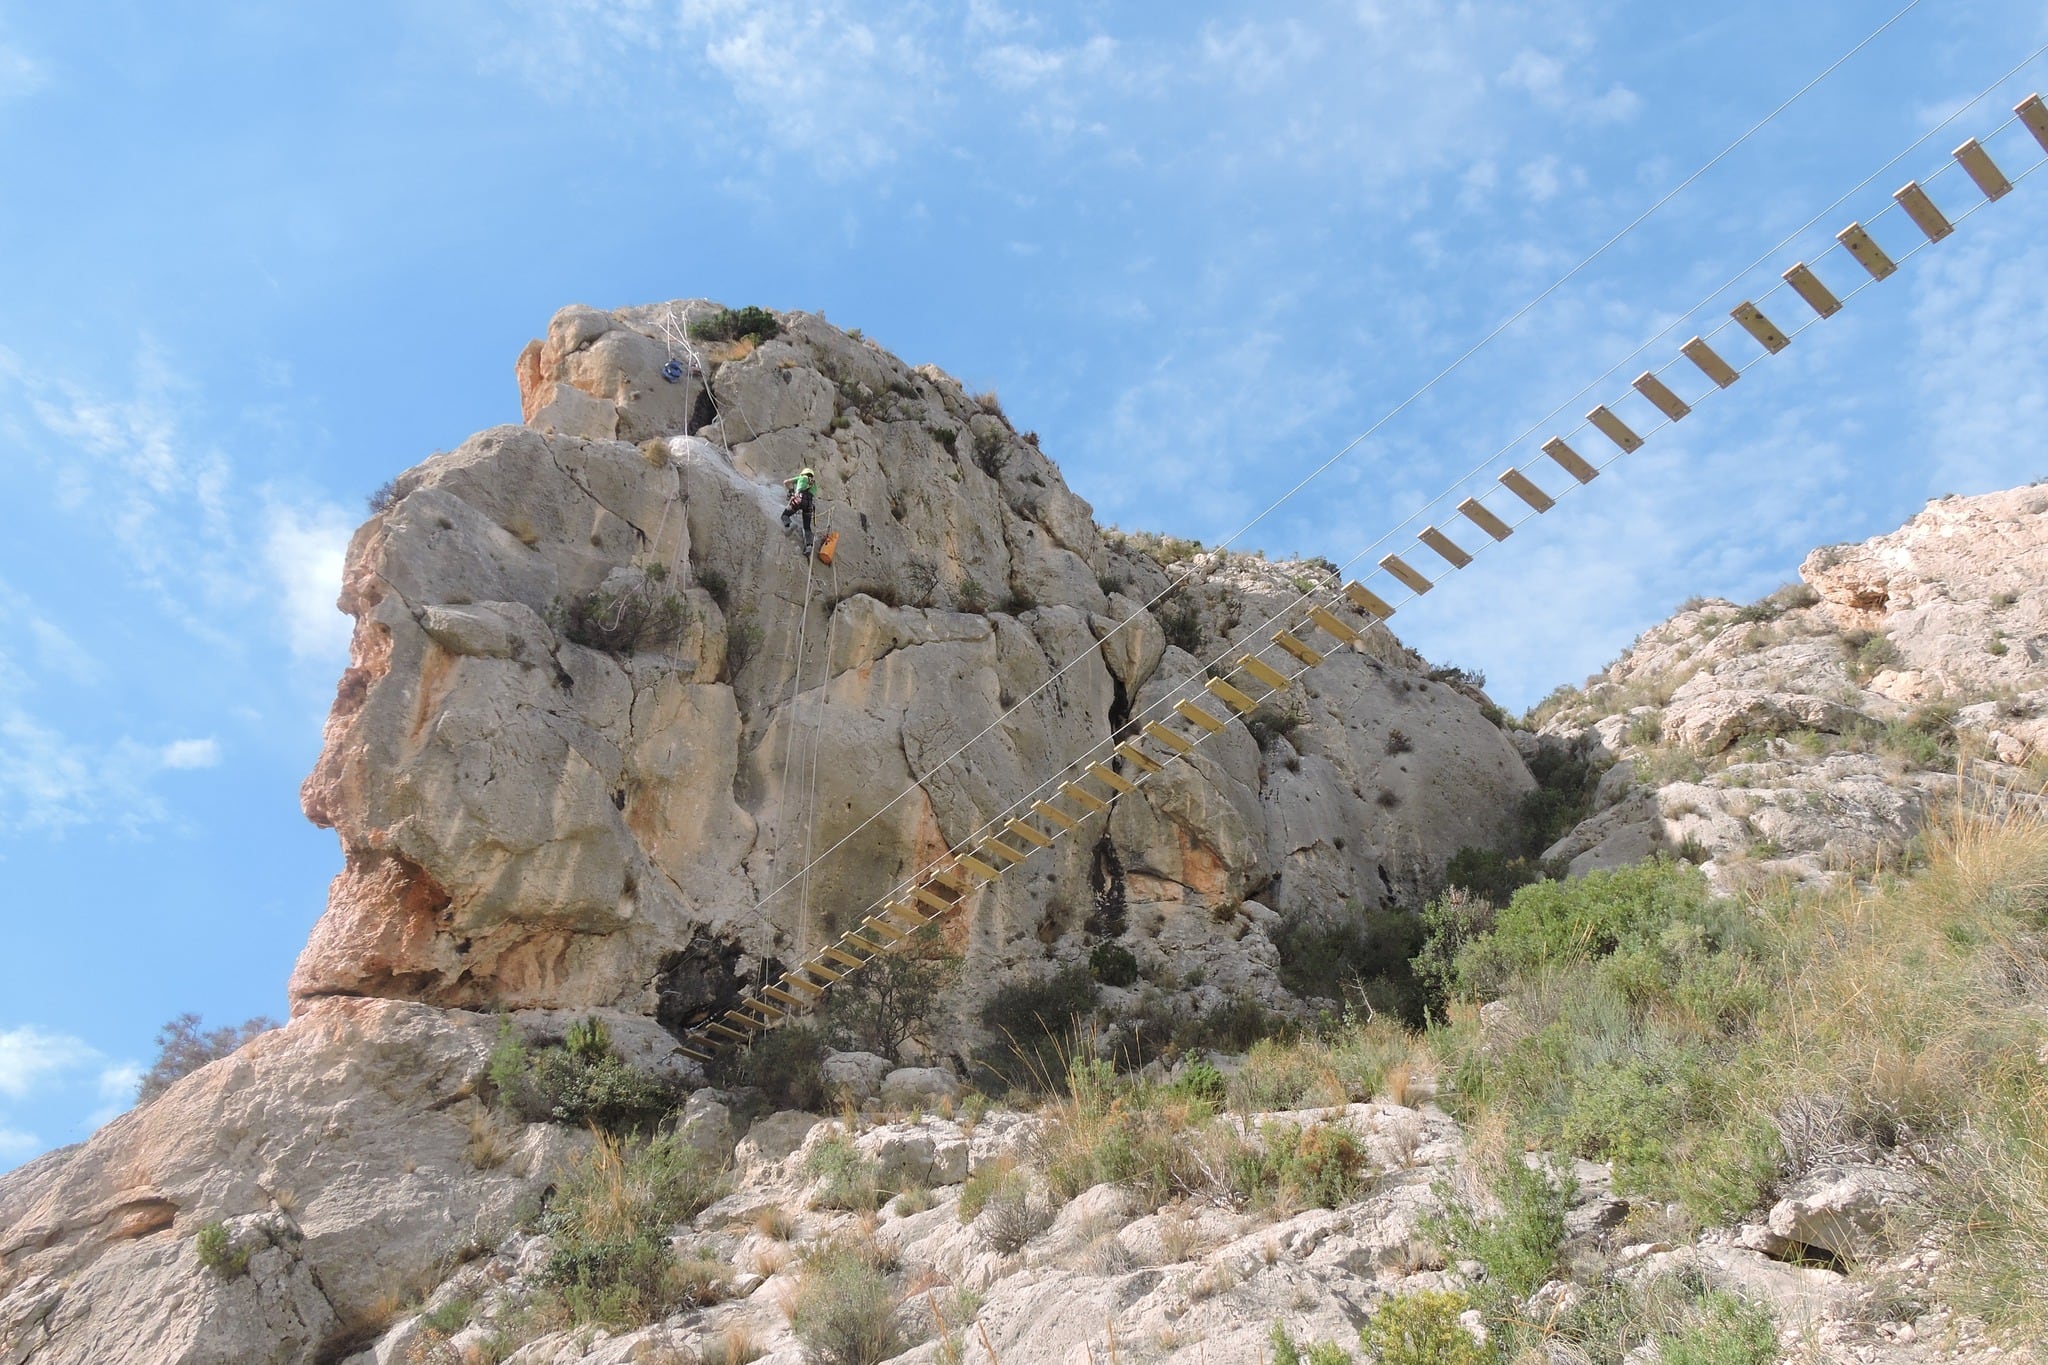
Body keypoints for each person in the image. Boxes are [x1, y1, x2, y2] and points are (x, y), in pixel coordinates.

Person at [780, 467, 817, 553]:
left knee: (785, 515)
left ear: (803, 473)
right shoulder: (814, 484)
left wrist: (792, 491)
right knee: (807, 527)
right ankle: (809, 546)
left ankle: (790, 525)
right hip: (809, 505)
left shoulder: (802, 478)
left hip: (798, 500)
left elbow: (786, 482)